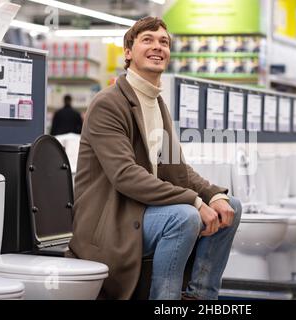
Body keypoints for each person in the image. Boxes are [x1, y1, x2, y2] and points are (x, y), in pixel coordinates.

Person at [66, 16, 242, 300]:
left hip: (142, 211)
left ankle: (199, 297)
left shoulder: (157, 103)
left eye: (164, 42)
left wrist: (213, 195)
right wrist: (194, 201)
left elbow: (179, 169)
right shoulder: (108, 102)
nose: (157, 46)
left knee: (231, 206)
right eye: (147, 40)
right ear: (127, 51)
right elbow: (126, 176)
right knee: (183, 217)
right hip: (111, 219)